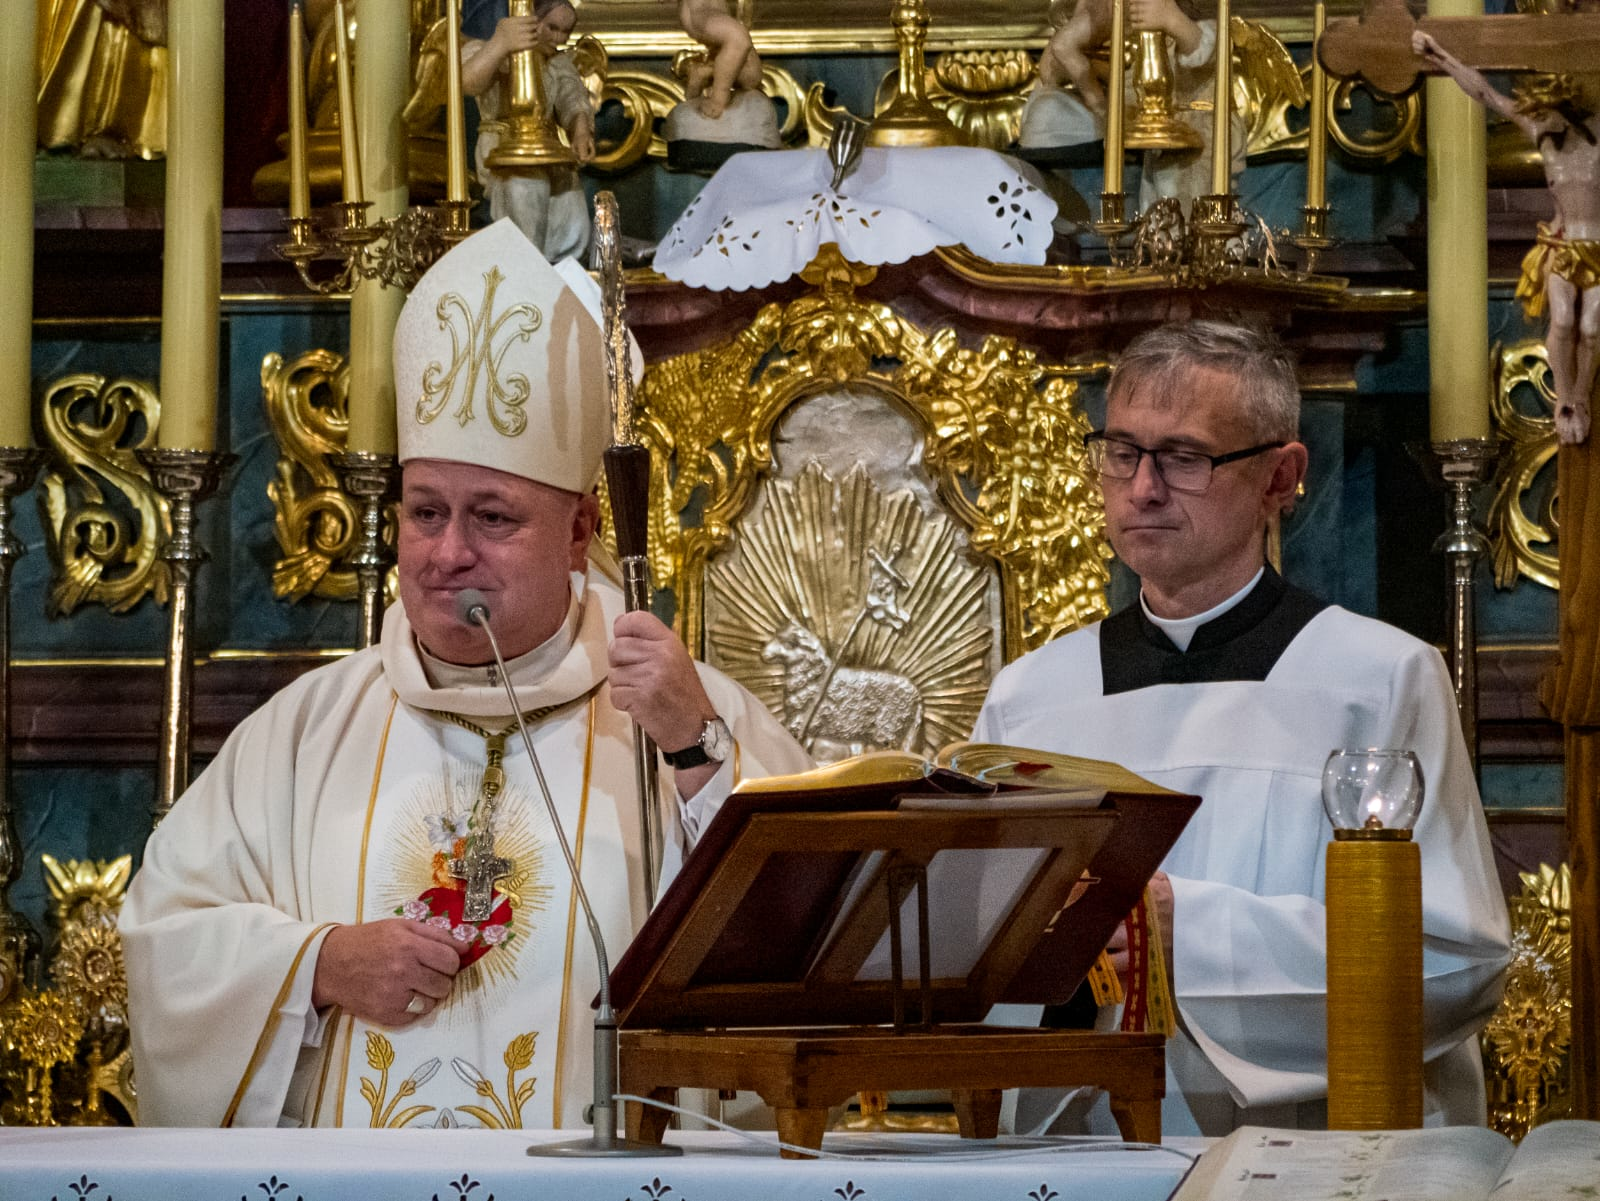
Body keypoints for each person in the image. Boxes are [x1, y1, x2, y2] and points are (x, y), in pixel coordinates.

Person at [120, 219, 813, 1130]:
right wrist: (319, 965)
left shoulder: (681, 712)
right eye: (425, 511)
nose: (447, 553)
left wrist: (696, 752)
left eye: (492, 517)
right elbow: (165, 936)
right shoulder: (305, 732)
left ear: (579, 530)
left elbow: (804, 938)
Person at [974, 320, 1511, 1136]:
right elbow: (972, 962)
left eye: (1184, 457)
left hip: (1311, 1155)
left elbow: (1456, 959)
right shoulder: (1030, 699)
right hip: (1087, 1152)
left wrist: (1189, 932)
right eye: (1122, 452)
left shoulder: (1377, 678)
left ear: (1280, 477)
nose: (1143, 488)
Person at [1414, 32, 1599, 445]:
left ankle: (1581, 394)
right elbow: (1485, 92)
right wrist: (1440, 54)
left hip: (1599, 246)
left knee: (1590, 328)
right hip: (1562, 244)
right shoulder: (1543, 132)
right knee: (1565, 320)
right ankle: (1564, 397)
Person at [460, 0, 596, 262]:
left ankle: (562, 267)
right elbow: (468, 81)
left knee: (570, 203)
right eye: (552, 28)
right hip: (504, 152)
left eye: (565, 32)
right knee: (525, 189)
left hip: (548, 150)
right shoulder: (495, 50)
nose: (558, 38)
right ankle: (527, 266)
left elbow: (572, 97)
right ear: (532, 19)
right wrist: (501, 44)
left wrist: (580, 130)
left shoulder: (556, 63)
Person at [672, 0, 762, 120]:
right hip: (703, 14)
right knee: (739, 40)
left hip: (716, 13)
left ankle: (703, 73)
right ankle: (718, 99)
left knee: (751, 77)